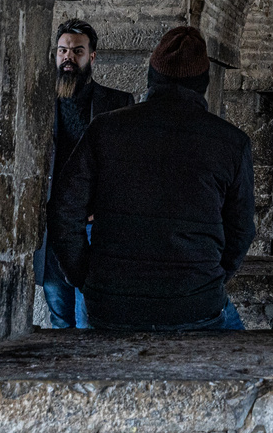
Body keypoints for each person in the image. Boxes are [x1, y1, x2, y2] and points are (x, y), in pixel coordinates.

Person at [48, 26, 255, 330]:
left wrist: (88, 278)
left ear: (152, 76)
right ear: (202, 84)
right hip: (195, 304)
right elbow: (241, 230)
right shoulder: (232, 143)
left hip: (112, 303)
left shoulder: (106, 129)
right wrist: (206, 280)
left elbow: (65, 211)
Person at [37, 18, 132, 328]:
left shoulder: (118, 104)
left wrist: (102, 208)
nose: (68, 57)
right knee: (59, 314)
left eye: (77, 51)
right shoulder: (36, 103)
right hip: (51, 226)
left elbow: (126, 167)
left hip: (94, 225)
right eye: (63, 50)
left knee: (88, 316)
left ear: (91, 57)